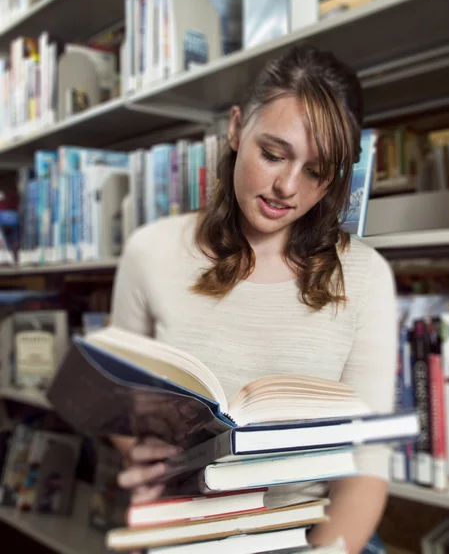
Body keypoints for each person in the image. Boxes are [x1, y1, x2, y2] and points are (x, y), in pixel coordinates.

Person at [110, 43, 397, 554]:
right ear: (236, 127)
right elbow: (115, 404)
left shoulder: (366, 277)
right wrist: (141, 454)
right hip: (187, 525)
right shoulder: (151, 252)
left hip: (314, 534)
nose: (287, 187)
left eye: (316, 171)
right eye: (273, 153)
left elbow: (367, 462)